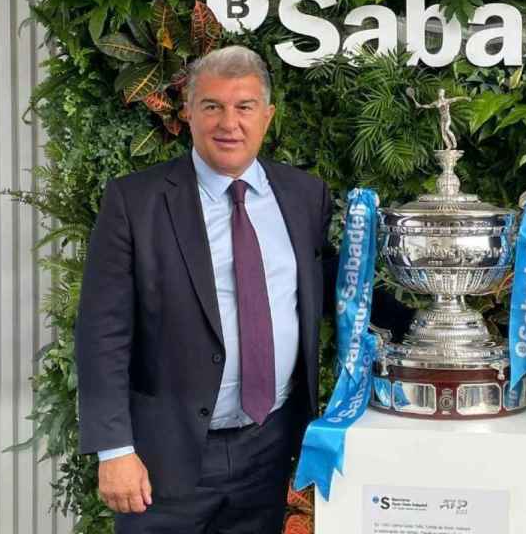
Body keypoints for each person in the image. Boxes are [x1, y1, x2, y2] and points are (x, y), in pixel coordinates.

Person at [75, 45, 409, 533]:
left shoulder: (303, 194)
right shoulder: (136, 201)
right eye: (212, 106)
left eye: (244, 107)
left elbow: (331, 283)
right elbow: (102, 330)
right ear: (188, 113)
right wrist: (115, 450)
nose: (228, 122)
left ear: (267, 116)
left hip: (267, 448)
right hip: (164, 457)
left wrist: (421, 328)